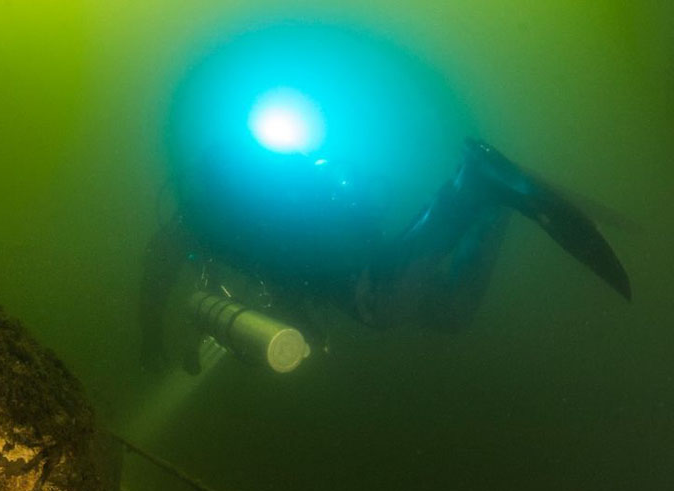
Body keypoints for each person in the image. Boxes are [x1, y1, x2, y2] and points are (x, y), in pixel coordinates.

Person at [140, 137, 630, 372]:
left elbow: (157, 274)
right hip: (340, 242)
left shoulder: (201, 218)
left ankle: (472, 185)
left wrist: (149, 340)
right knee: (452, 310)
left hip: (333, 259)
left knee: (379, 307)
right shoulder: (242, 204)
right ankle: (493, 204)